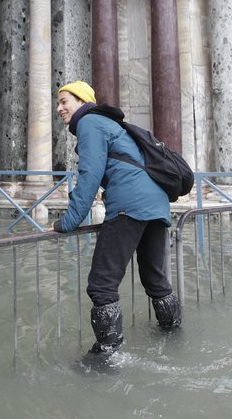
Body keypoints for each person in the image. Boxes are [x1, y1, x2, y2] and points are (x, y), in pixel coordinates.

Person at [52, 80, 179, 356]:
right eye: (58, 103)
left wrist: (70, 220)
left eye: (64, 101)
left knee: (101, 284)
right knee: (157, 281)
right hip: (156, 205)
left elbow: (89, 174)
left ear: (82, 101)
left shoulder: (90, 123)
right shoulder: (110, 124)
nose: (59, 108)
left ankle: (108, 355)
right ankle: (174, 337)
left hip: (130, 205)